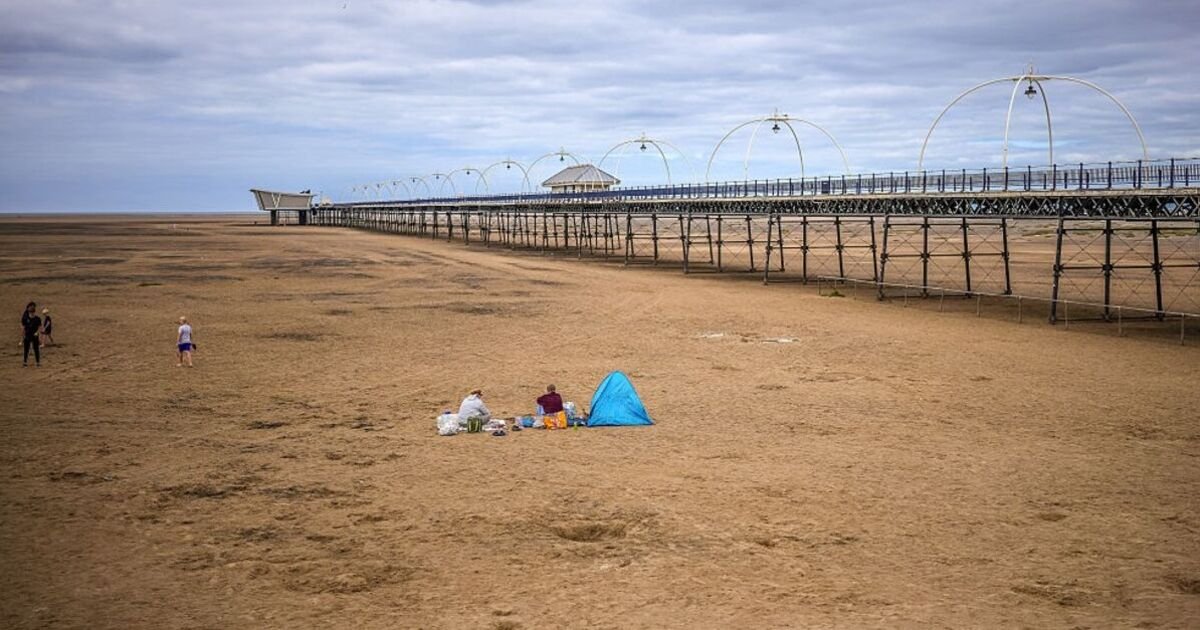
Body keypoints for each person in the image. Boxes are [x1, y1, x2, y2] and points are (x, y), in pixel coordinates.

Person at [20, 302, 41, 367]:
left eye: (32, 313)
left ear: (34, 312)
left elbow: (39, 327)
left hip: (35, 336)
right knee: (26, 349)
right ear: (29, 312)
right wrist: (22, 338)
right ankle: (25, 362)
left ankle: (37, 362)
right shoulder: (25, 319)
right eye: (30, 313)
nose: (32, 314)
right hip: (27, 335)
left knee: (36, 349)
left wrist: (37, 332)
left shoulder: (37, 319)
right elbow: (23, 328)